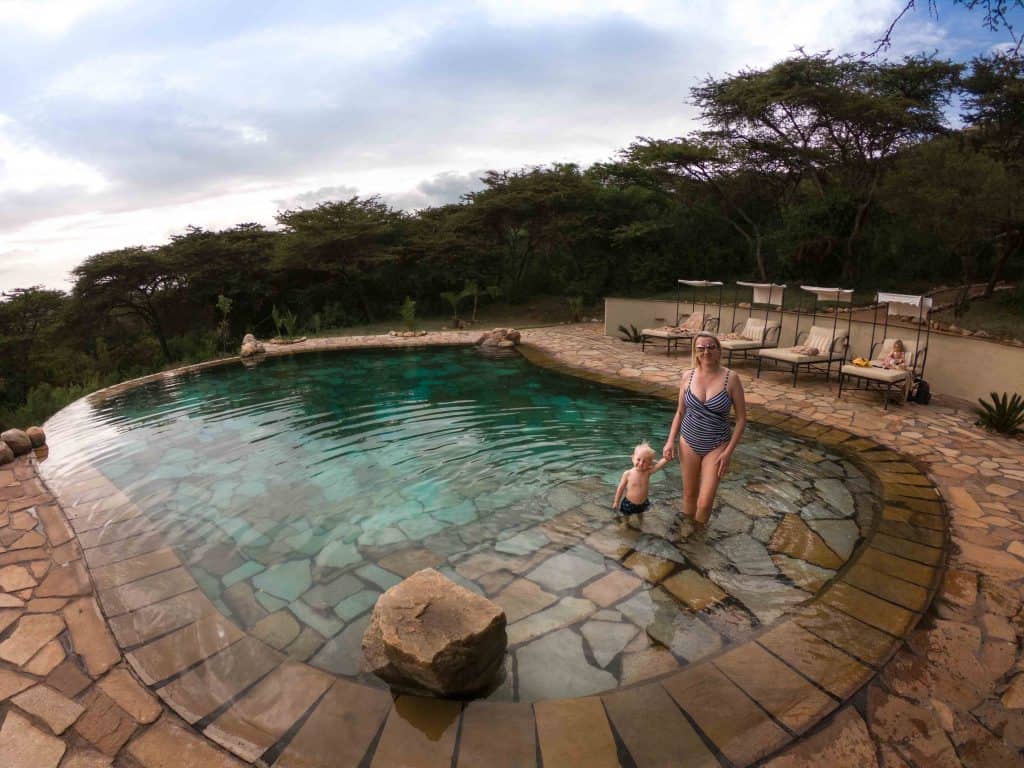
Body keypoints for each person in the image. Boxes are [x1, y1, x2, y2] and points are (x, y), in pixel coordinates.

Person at [663, 332, 747, 524]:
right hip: (688, 442)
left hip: (717, 446)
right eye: (701, 348)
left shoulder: (731, 378)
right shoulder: (688, 376)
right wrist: (670, 441)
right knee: (689, 494)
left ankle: (698, 537)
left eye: (711, 347)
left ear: (718, 350)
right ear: (695, 352)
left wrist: (728, 452)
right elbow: (680, 412)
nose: (706, 351)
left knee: (705, 502)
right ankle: (687, 533)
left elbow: (742, 419)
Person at [613, 441, 670, 521]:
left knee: (641, 514)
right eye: (638, 459)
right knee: (626, 516)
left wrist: (666, 459)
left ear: (650, 464)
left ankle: (640, 523)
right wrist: (616, 501)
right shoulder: (628, 474)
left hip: (643, 502)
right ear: (633, 458)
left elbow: (658, 465)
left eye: (645, 461)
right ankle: (626, 524)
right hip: (629, 503)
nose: (640, 463)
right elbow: (620, 488)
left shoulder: (647, 472)